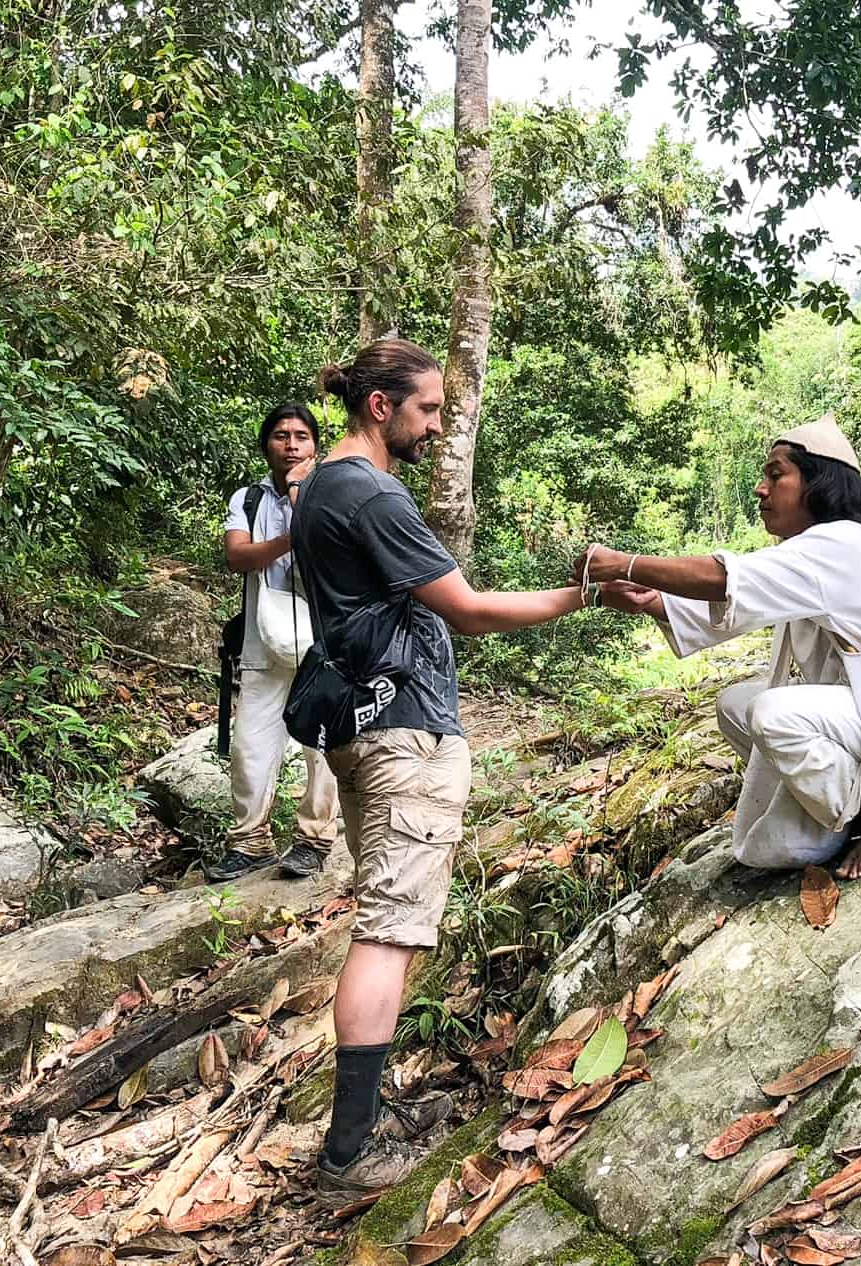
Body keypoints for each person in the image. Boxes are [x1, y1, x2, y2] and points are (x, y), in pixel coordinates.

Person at [293, 337, 646, 1194]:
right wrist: (589, 593)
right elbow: (472, 610)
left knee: (390, 922)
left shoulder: (319, 490)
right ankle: (349, 1154)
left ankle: (361, 1125)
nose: (438, 425)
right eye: (430, 409)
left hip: (364, 724)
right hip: (403, 730)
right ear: (382, 406)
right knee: (390, 929)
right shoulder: (368, 491)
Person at [577, 415, 861, 879]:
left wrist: (628, 564)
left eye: (776, 474)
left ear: (820, 484)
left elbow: (725, 578)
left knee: (772, 713)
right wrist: (652, 602)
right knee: (737, 708)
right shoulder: (826, 548)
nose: (761, 489)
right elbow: (739, 603)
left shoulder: (847, 544)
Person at [209, 404, 341, 883]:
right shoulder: (248, 499)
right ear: (266, 444)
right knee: (251, 746)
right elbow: (238, 556)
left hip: (324, 643)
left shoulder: (333, 492)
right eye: (282, 435)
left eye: (302, 436)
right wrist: (292, 534)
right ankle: (250, 841)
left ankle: (313, 839)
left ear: (316, 446)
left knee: (323, 746)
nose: (291, 444)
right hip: (262, 641)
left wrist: (303, 500)